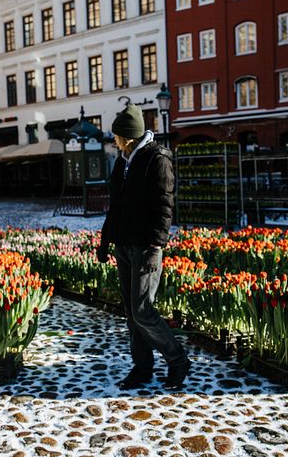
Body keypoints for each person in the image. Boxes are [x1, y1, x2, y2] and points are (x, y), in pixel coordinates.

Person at [97, 103, 191, 390]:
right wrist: (105, 241)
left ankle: (177, 360)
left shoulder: (157, 159)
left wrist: (155, 245)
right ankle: (142, 367)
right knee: (131, 311)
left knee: (142, 309)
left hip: (145, 246)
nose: (113, 140)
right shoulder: (123, 161)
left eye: (116, 135)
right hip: (124, 245)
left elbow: (164, 206)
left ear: (127, 136)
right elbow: (116, 206)